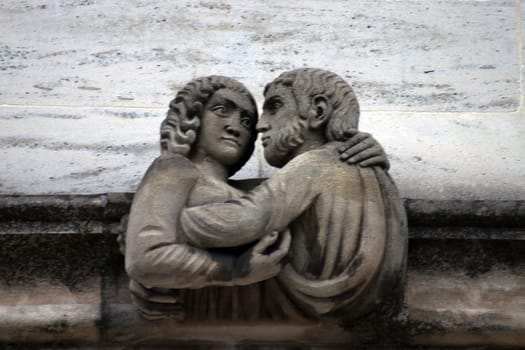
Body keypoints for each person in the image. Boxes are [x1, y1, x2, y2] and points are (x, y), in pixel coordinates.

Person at [125, 74, 391, 321]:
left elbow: (267, 204)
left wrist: (159, 223)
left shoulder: (264, 189)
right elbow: (146, 256)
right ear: (192, 116)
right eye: (221, 111)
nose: (238, 127)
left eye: (246, 122)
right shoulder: (174, 168)